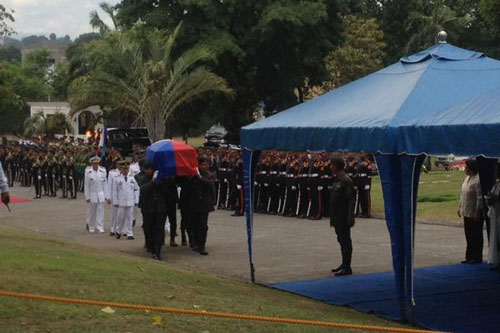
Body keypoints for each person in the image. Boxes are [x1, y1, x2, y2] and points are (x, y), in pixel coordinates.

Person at [329, 157, 356, 276]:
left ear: (336, 166)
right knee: (341, 240)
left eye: (332, 165)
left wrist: (350, 216)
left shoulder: (346, 180)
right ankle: (344, 263)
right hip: (337, 215)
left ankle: (347, 266)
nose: (330, 167)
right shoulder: (338, 179)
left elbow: (351, 200)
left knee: (345, 241)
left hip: (343, 216)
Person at [136, 161, 168, 260]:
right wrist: (153, 181)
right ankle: (150, 245)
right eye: (148, 169)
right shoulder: (140, 177)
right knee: (148, 228)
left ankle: (157, 250)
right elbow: (143, 188)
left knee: (159, 229)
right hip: (147, 207)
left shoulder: (160, 177)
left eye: (151, 169)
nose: (150, 171)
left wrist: (161, 179)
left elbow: (166, 191)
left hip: (159, 207)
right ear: (144, 170)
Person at [458, 158, 483, 264]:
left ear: (471, 168)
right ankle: (469, 256)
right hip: (466, 211)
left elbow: (479, 198)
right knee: (468, 235)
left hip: (474, 212)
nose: (464, 169)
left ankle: (477, 257)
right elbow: (462, 194)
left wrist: (478, 212)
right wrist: (459, 207)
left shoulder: (477, 180)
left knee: (476, 235)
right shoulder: (467, 179)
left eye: (466, 167)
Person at [189, 157, 215, 255]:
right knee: (194, 225)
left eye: (207, 165)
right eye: (203, 165)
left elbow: (209, 184)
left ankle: (201, 246)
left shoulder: (210, 175)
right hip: (194, 203)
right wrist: (194, 175)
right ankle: (195, 242)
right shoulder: (193, 175)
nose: (205, 167)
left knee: (203, 226)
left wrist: (199, 177)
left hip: (204, 203)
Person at [112, 160, 140, 240]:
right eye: (124, 169)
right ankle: (118, 231)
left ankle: (130, 233)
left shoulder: (132, 178)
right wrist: (115, 201)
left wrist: (136, 200)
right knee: (120, 217)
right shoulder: (117, 179)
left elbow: (136, 189)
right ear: (121, 169)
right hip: (121, 201)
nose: (125, 171)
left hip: (130, 201)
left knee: (130, 218)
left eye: (127, 169)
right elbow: (115, 191)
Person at [84, 156, 108, 233]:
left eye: (97, 163)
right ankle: (91, 226)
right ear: (92, 164)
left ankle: (100, 226)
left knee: (101, 212)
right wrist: (87, 196)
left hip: (101, 194)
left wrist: (106, 195)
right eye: (94, 163)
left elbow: (105, 184)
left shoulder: (103, 171)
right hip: (92, 194)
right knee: (92, 212)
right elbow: (86, 185)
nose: (96, 165)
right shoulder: (88, 172)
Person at [486, 163, 500, 269]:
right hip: (496, 215)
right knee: (496, 238)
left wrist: (495, 198)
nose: (496, 173)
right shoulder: (496, 184)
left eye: (497, 171)